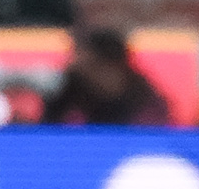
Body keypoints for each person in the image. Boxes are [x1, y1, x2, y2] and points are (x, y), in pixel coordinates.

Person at [35, 28, 171, 127]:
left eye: (92, 66)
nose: (84, 73)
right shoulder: (70, 93)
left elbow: (150, 140)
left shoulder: (144, 99)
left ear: (115, 66)